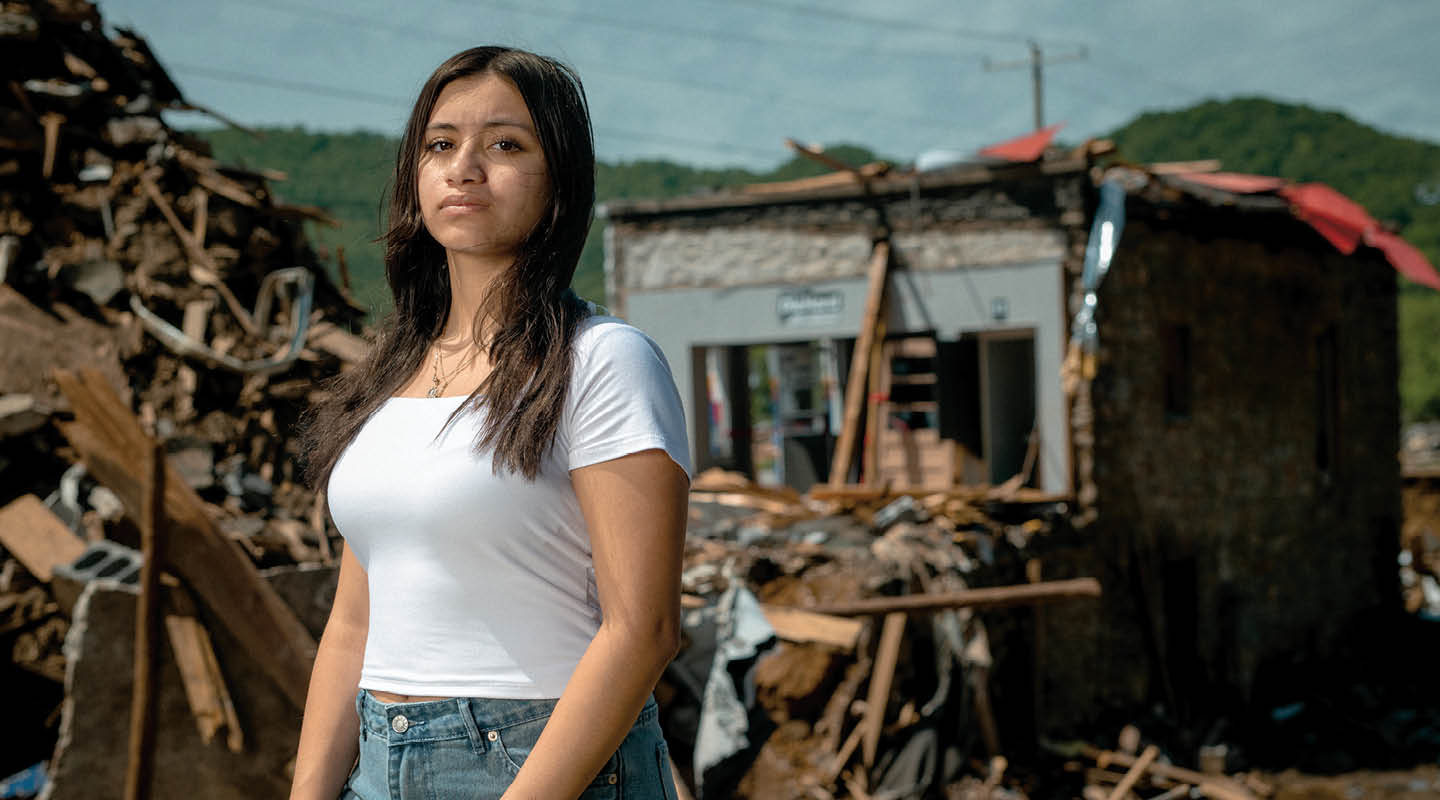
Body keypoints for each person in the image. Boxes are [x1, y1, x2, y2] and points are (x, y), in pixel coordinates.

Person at [289, 46, 690, 800]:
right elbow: (351, 627)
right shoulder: (389, 375)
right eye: (441, 144)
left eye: (506, 144)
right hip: (379, 762)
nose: (464, 167)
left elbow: (644, 630)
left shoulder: (602, 360)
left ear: (559, 178)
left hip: (541, 762)